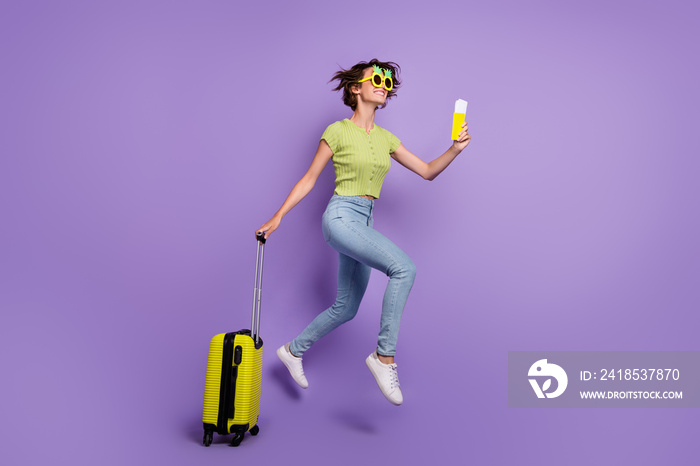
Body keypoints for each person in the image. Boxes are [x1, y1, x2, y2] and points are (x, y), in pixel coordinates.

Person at [256, 59, 471, 405]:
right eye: (377, 78)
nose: (384, 85)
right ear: (356, 88)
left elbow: (428, 171)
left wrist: (455, 150)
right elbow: (310, 178)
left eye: (388, 81)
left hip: (364, 222)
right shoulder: (337, 130)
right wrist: (279, 215)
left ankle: (293, 351)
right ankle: (384, 357)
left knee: (346, 307)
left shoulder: (386, 138)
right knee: (404, 268)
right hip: (341, 217)